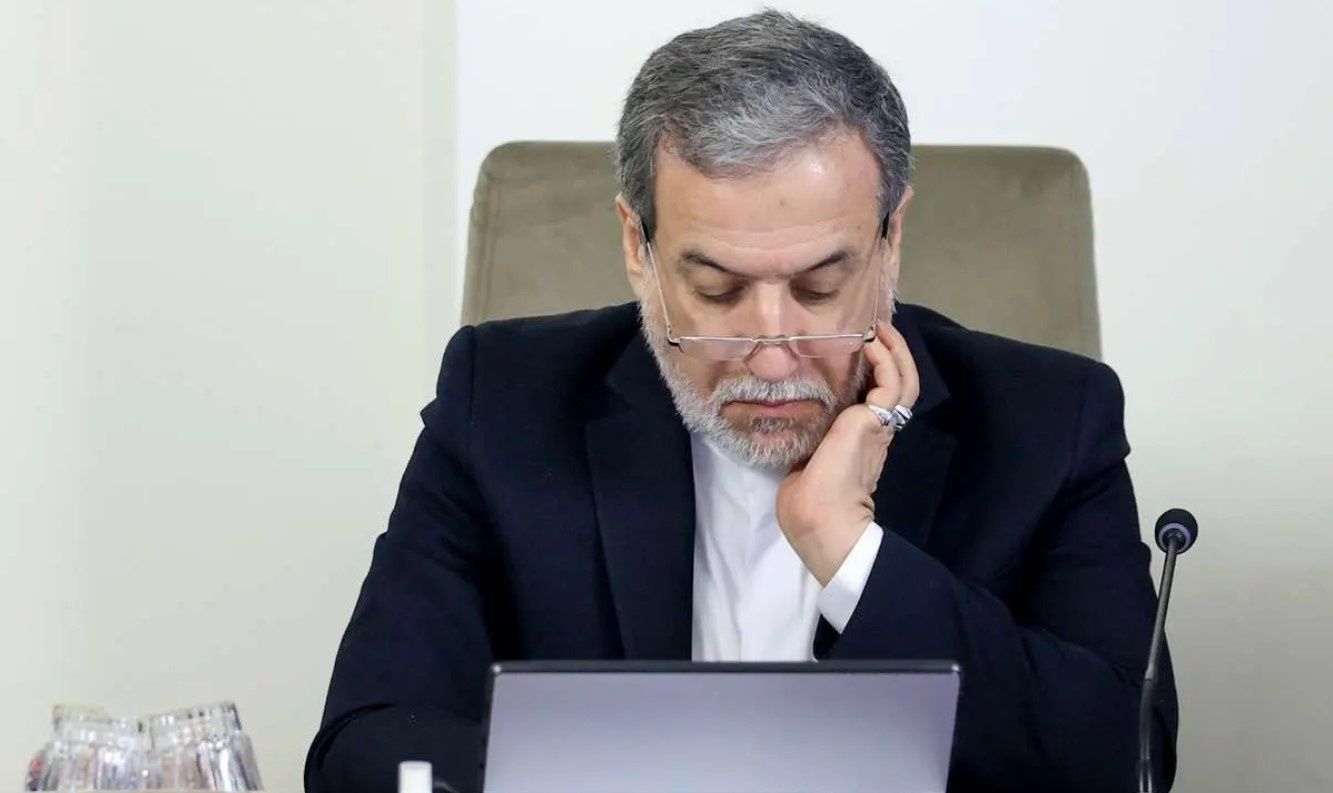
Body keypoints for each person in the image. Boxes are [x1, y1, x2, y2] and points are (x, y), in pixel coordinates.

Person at [306, 10, 1177, 793]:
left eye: (819, 286)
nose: (770, 349)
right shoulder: (500, 400)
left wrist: (848, 549)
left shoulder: (1049, 421)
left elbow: (1124, 759)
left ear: (891, 239)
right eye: (717, 290)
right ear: (638, 247)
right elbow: (364, 744)